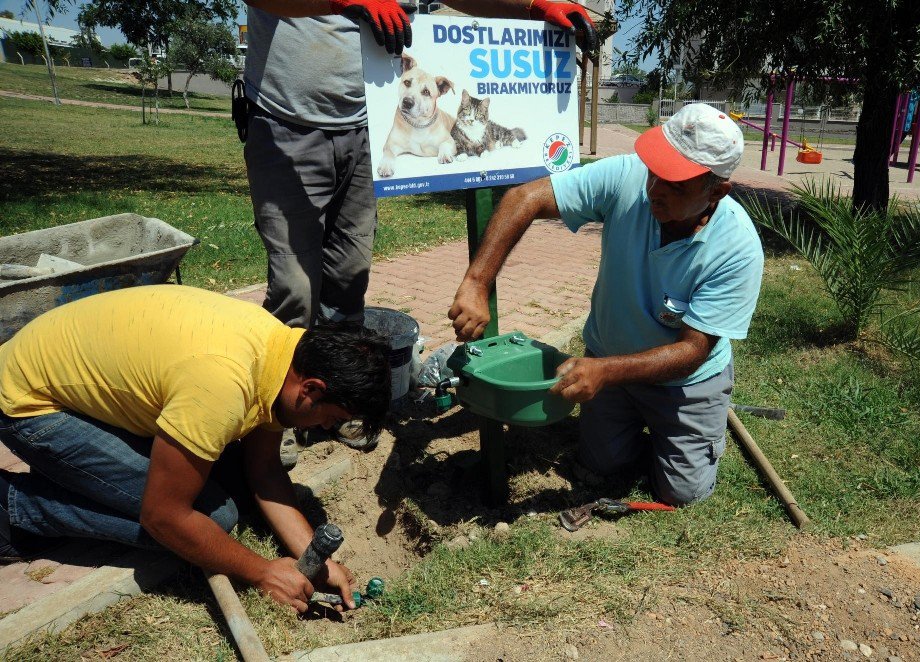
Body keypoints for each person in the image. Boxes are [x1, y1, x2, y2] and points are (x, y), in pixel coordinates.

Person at [0, 285, 391, 612]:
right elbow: (164, 516)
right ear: (311, 390)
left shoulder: (283, 353)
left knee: (231, 489)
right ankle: (13, 505)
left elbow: (265, 470)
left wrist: (315, 559)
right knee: (211, 519)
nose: (326, 428)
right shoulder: (221, 385)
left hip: (74, 373)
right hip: (27, 403)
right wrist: (261, 571)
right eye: (330, 419)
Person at [448, 103, 765, 506]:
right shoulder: (628, 175)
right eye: (656, 173)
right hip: (610, 359)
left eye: (677, 185)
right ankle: (642, 429)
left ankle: (698, 427)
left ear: (716, 190)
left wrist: (605, 372)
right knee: (602, 467)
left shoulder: (736, 248)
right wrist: (477, 282)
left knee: (681, 494)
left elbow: (692, 351)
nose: (654, 190)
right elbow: (524, 198)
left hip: (686, 382)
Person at [241, 0, 597, 328]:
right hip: (286, 123)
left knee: (349, 280)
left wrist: (533, 7)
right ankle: (287, 390)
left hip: (367, 128)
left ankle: (338, 384)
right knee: (294, 290)